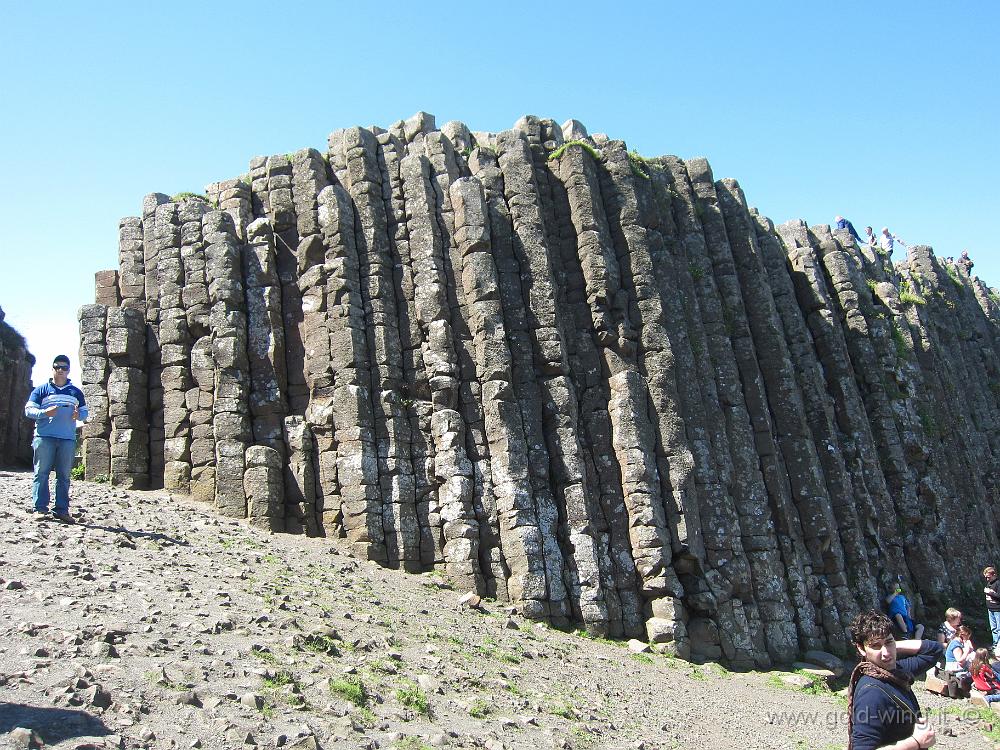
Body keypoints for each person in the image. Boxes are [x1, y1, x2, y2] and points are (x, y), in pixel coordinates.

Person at [848, 610, 940, 750]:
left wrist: (892, 644)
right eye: (875, 646)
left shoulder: (896, 671)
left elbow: (934, 650)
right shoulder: (872, 694)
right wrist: (915, 742)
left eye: (889, 642)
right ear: (861, 648)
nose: (886, 654)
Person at [23, 355, 88, 523]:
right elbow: (28, 411)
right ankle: (40, 509)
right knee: (41, 473)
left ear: (68, 370)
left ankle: (61, 510)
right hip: (44, 438)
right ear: (52, 368)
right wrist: (45, 413)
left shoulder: (76, 392)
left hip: (67, 439)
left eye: (64, 367)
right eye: (57, 367)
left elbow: (85, 413)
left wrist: (78, 414)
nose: (60, 370)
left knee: (64, 476)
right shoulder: (41, 390)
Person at [983, 567, 1000, 653]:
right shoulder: (989, 583)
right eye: (986, 577)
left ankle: (999, 646)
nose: (987, 579)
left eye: (988, 577)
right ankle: (995, 644)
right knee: (993, 628)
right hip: (990, 609)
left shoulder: (997, 584)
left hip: (997, 610)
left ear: (994, 575)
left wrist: (991, 593)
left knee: (999, 628)